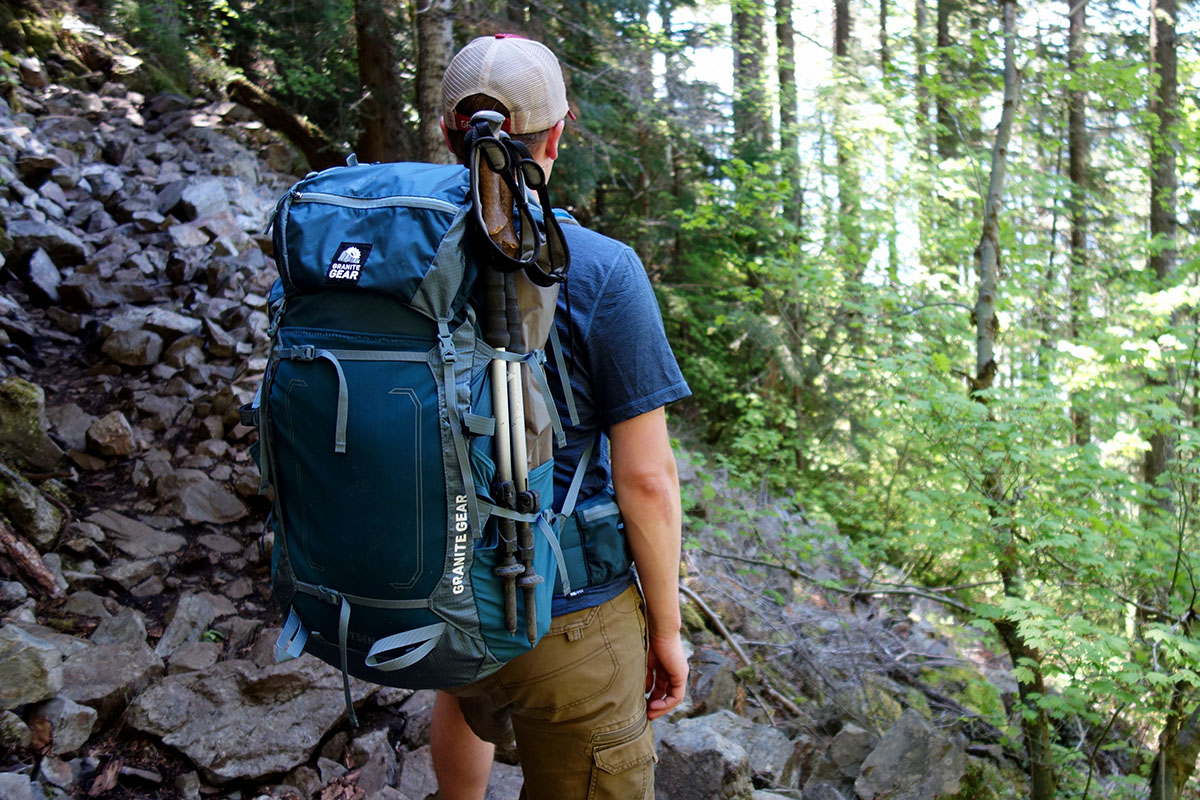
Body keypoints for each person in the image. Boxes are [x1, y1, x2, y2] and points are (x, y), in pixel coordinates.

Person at [429, 34, 691, 800]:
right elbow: (647, 481)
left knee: (465, 691)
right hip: (562, 612)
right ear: (558, 132)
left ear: (450, 133)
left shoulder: (403, 250)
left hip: (439, 590)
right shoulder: (601, 269)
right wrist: (668, 635)